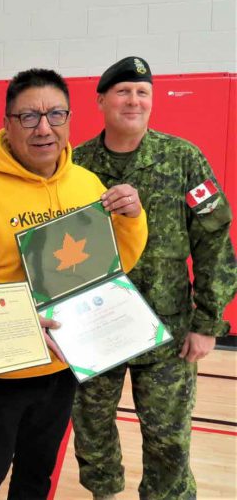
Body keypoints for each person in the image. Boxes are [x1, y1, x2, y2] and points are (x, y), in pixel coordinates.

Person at [0, 68, 149, 500]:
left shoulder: (86, 183)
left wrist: (133, 219)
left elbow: (112, 266)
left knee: (38, 472)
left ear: (70, 120)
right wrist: (20, 317)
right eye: (28, 117)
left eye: (56, 114)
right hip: (5, 365)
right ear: (7, 124)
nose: (44, 128)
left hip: (64, 362)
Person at [71, 56, 237, 500]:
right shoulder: (77, 165)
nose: (134, 100)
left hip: (168, 329)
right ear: (102, 100)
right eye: (123, 91)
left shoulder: (183, 158)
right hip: (95, 326)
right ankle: (103, 494)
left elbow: (214, 241)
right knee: (92, 430)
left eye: (143, 92)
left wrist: (208, 323)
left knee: (168, 438)